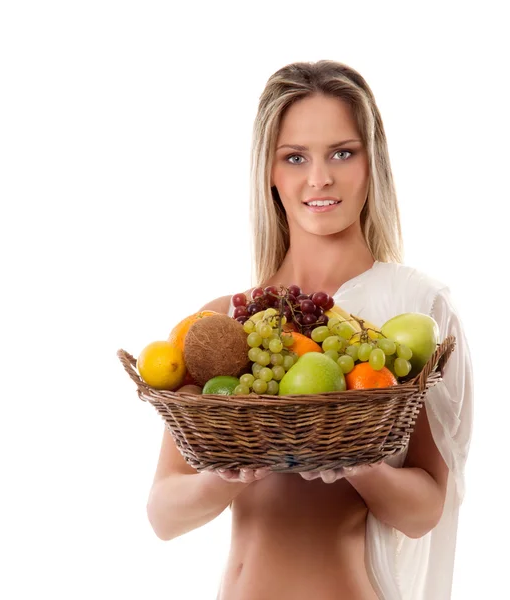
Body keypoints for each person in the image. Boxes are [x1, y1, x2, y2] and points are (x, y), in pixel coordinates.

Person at [146, 60, 473, 599]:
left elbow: (426, 510)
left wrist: (360, 464)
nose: (319, 178)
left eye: (342, 153)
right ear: (270, 173)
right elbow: (163, 515)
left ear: (372, 164)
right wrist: (222, 476)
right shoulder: (223, 322)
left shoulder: (409, 312)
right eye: (295, 157)